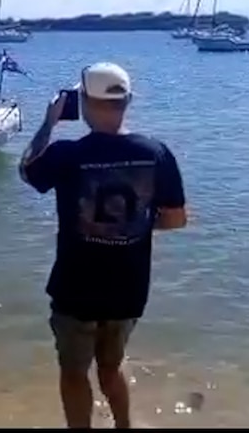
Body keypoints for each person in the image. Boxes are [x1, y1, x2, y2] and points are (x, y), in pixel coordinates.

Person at [18, 63, 187, 429]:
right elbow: (176, 219)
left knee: (74, 372)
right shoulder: (156, 153)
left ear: (85, 103)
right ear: (128, 101)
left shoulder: (65, 154)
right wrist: (136, 225)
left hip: (75, 290)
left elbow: (26, 168)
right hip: (129, 290)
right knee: (111, 367)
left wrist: (49, 123)